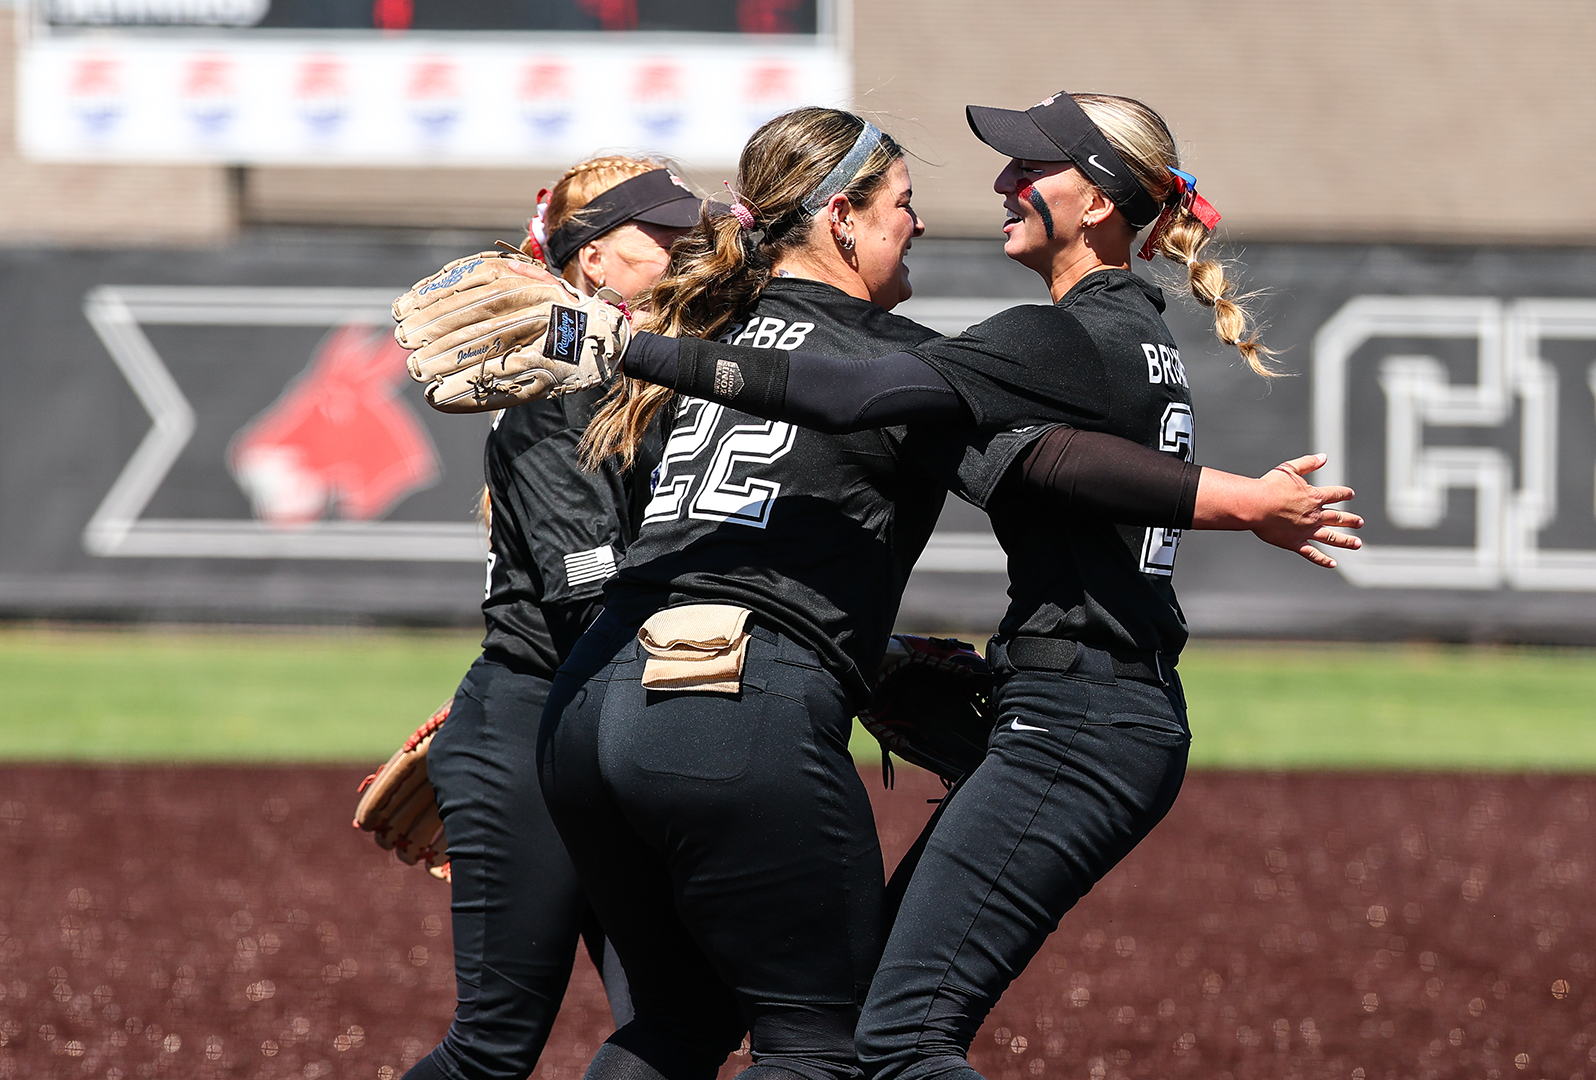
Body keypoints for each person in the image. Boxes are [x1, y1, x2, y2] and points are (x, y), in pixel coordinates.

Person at [528, 107, 1355, 1080]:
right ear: (839, 218)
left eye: (1030, 166)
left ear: (1096, 201)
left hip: (607, 699)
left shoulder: (733, 337)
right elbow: (1037, 461)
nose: (992, 187)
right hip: (933, 699)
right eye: (904, 201)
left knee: (788, 1031)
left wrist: (615, 342)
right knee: (851, 1038)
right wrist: (1237, 501)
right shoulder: (1088, 333)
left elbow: (903, 432)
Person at [404, 155, 697, 1080]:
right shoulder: (559, 396)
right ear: (593, 261)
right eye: (662, 234)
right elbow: (589, 599)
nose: (686, 247)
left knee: (679, 1025)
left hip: (607, 721)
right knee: (494, 1048)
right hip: (531, 728)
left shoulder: (660, 376)